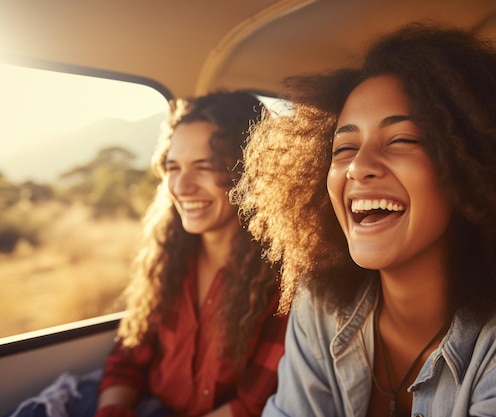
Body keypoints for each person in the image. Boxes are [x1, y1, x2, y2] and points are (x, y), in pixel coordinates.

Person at [229, 23, 496, 417]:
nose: (358, 167)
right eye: (344, 147)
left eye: (402, 140)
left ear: (477, 168)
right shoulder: (320, 304)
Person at [8, 91, 287, 417]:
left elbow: (252, 405)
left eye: (205, 166)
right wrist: (113, 409)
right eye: (173, 167)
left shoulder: (282, 280)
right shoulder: (168, 257)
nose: (182, 186)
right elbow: (129, 356)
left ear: (252, 173)